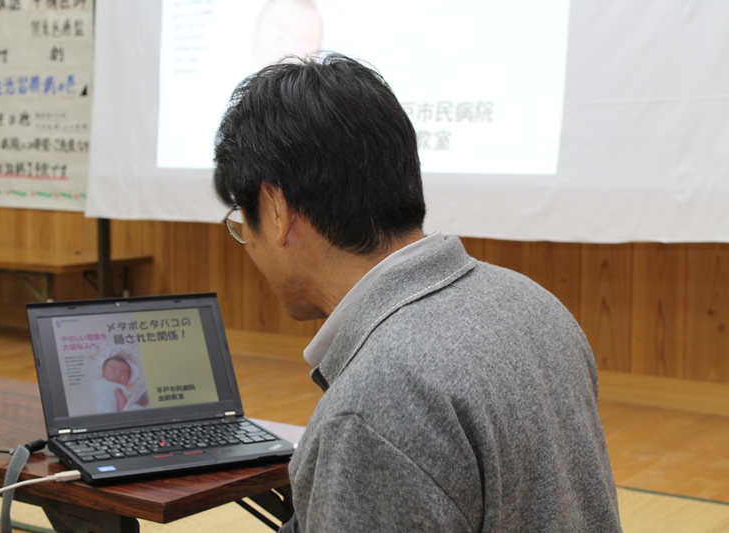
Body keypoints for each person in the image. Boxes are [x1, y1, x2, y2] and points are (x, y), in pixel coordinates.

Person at [213, 53, 622, 532]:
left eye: (243, 224)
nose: (249, 244)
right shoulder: (533, 304)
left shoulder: (374, 404)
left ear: (275, 210)